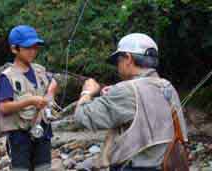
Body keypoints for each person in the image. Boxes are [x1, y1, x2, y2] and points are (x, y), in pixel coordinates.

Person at [74, 33, 188, 171]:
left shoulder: (126, 90)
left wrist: (87, 92)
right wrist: (114, 93)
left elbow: (82, 117)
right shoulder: (166, 85)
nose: (117, 66)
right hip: (169, 165)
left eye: (118, 61)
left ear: (128, 58)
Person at [0, 25, 58, 171]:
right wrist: (30, 101)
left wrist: (50, 93)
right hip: (19, 137)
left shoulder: (39, 70)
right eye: (28, 47)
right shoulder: (7, 77)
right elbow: (3, 107)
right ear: (14, 49)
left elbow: (53, 82)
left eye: (35, 47)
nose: (33, 51)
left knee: (44, 167)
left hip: (43, 132)